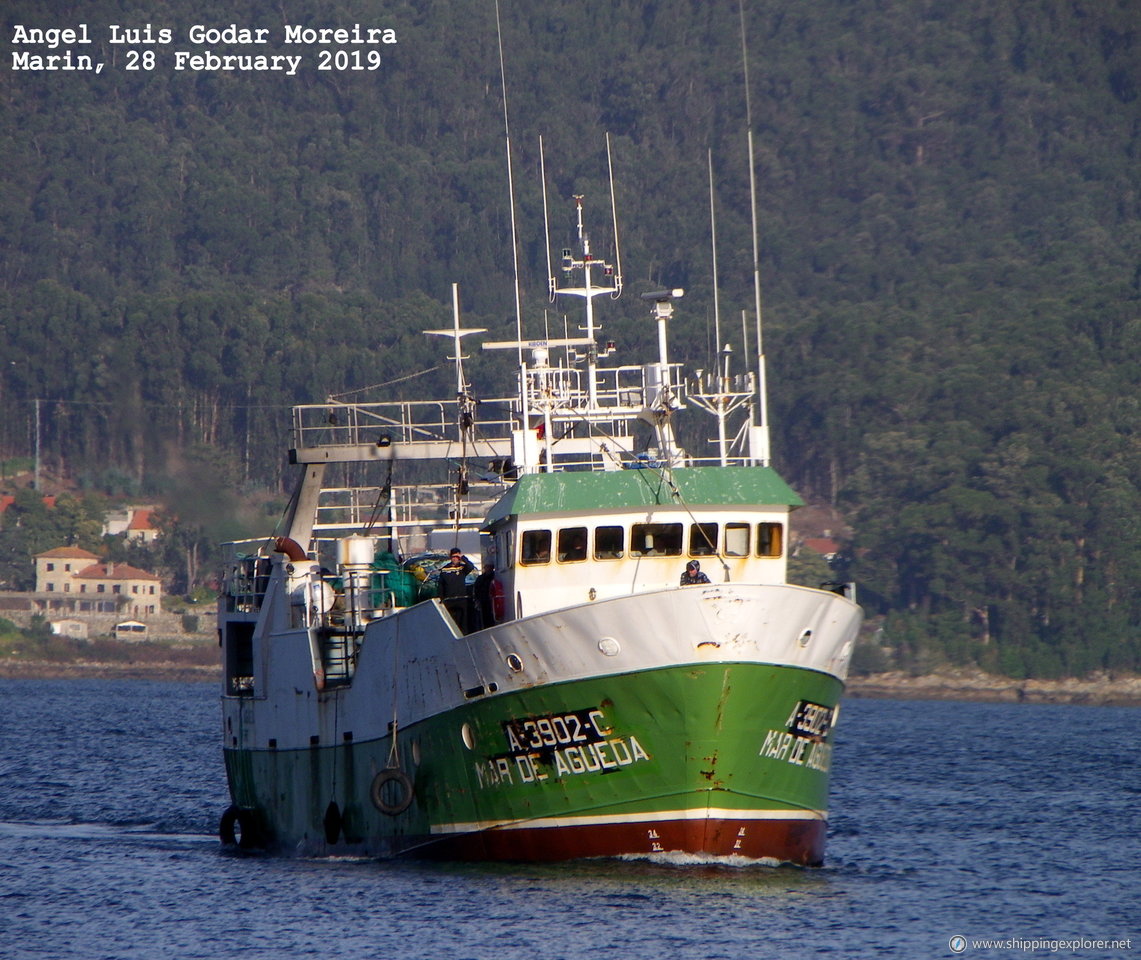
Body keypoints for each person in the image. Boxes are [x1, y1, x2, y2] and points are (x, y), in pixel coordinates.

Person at [438, 548, 475, 631]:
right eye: (453, 557)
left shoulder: (462, 568)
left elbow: (471, 566)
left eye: (457, 557)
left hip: (461, 599)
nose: (455, 559)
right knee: (451, 622)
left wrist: (463, 558)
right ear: (450, 557)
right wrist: (441, 598)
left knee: (463, 623)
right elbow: (441, 585)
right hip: (449, 600)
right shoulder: (445, 569)